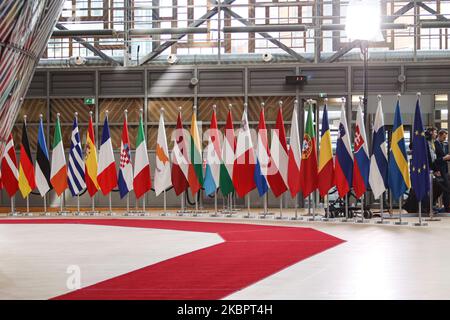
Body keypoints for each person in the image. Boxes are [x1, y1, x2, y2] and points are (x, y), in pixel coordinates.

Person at [434, 129, 450, 212]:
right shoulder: (435, 144)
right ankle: (447, 207)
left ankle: (446, 206)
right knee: (446, 188)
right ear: (439, 136)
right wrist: (444, 158)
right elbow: (434, 159)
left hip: (445, 170)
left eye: (445, 138)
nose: (445, 139)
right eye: (443, 137)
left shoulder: (445, 145)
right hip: (438, 170)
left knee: (446, 188)